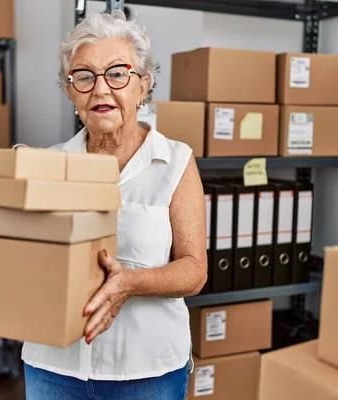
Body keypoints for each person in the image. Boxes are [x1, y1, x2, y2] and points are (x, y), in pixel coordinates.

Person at [21, 10, 207, 400]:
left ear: (143, 85)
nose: (101, 89)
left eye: (118, 73)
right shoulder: (49, 164)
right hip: (54, 364)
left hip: (147, 371)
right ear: (70, 92)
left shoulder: (175, 161)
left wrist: (130, 283)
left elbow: (194, 271)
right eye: (84, 77)